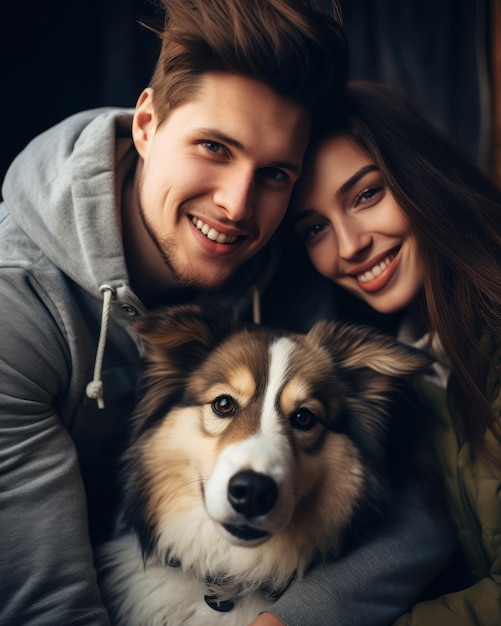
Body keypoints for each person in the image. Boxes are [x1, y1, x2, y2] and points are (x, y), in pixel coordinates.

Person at [0, 0, 452, 621]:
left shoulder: (302, 251)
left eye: (273, 174)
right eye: (213, 147)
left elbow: (412, 488)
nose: (238, 206)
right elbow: (44, 604)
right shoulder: (14, 309)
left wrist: (290, 620)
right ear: (146, 123)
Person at [290, 79, 501, 625]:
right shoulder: (403, 365)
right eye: (315, 228)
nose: (350, 245)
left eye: (366, 195)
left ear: (421, 178)